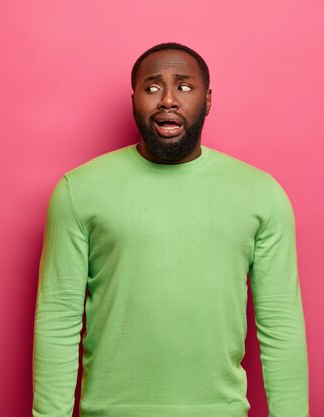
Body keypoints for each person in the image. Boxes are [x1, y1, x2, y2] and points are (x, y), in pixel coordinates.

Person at [33, 43, 309, 417]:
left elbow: (280, 324)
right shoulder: (78, 190)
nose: (167, 100)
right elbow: (58, 319)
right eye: (151, 88)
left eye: (183, 86)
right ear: (134, 100)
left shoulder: (261, 194)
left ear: (207, 99)